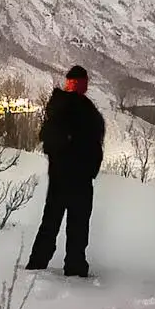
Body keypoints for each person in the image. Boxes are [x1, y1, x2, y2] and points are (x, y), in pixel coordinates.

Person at [27, 64, 105, 276]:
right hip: (67, 176)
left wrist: (88, 167)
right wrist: (73, 157)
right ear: (73, 83)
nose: (81, 85)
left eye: (82, 82)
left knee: (70, 224)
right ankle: (41, 265)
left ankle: (66, 265)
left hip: (72, 177)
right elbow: (50, 140)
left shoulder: (74, 107)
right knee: (59, 223)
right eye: (79, 81)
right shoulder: (64, 107)